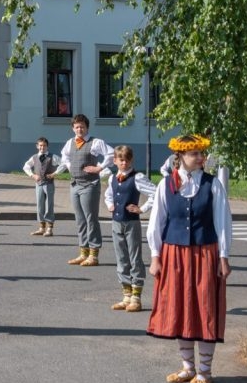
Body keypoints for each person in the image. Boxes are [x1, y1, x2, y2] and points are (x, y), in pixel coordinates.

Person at [147, 134, 232, 383]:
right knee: (179, 309)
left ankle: (205, 371)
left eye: (200, 153)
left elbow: (223, 223)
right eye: (194, 153)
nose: (199, 157)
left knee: (204, 308)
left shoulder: (212, 184)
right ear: (181, 157)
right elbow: (156, 223)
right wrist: (155, 257)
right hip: (174, 255)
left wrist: (224, 257)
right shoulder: (165, 185)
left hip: (205, 252)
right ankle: (187, 367)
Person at [54, 114, 114, 266]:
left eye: (82, 126)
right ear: (73, 128)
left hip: (90, 185)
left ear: (87, 127)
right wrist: (69, 166)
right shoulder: (70, 142)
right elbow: (64, 156)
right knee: (80, 220)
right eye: (76, 127)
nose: (79, 129)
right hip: (75, 184)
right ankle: (83, 252)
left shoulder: (95, 142)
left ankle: (93, 254)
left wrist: (99, 167)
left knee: (90, 219)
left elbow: (112, 153)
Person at [104, 145, 156, 312]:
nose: (124, 163)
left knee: (135, 258)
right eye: (121, 160)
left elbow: (155, 192)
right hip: (116, 221)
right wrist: (110, 204)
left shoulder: (137, 177)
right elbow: (108, 194)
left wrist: (142, 208)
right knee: (121, 258)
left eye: (127, 160)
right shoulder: (112, 178)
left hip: (132, 222)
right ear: (115, 161)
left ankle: (136, 297)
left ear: (131, 160)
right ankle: (126, 295)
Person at [22, 137, 60, 237]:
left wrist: (54, 174)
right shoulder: (34, 157)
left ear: (47, 146)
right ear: (37, 146)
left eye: (44, 145)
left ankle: (49, 228)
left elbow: (63, 164)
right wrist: (32, 175)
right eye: (40, 145)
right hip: (38, 184)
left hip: (49, 184)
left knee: (49, 205)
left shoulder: (53, 157)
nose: (42, 147)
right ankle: (41, 227)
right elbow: (26, 166)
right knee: (40, 205)